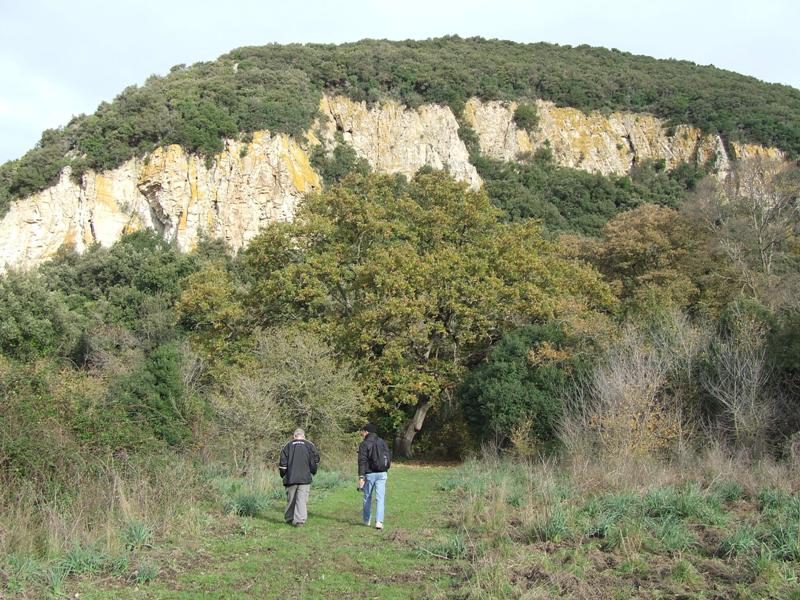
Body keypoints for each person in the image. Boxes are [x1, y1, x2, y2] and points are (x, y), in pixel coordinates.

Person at [278, 428, 320, 527]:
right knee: (301, 499)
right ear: (304, 436)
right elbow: (315, 460)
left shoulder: (287, 446)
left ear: (294, 436)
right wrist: (313, 471)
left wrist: (283, 474)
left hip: (291, 477)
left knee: (291, 498)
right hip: (305, 478)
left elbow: (282, 464)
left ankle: (289, 518)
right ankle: (299, 521)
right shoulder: (310, 445)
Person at [357, 423, 389, 530]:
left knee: (367, 497)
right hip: (382, 473)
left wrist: (361, 477)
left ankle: (367, 520)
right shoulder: (382, 442)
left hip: (370, 474)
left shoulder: (364, 444)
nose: (362, 433)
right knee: (380, 498)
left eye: (362, 431)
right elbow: (388, 457)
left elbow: (362, 461)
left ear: (366, 432)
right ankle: (379, 522)